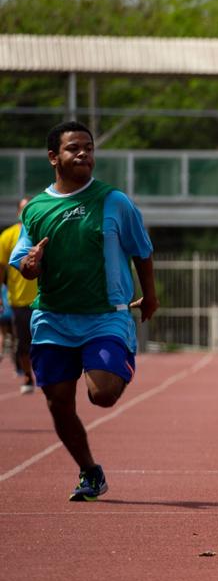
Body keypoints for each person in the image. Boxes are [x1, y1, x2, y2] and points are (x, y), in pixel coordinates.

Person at [10, 121, 158, 501]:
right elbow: (25, 261)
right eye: (73, 148)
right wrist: (30, 264)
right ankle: (90, 471)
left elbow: (142, 251)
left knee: (102, 394)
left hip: (104, 315)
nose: (83, 154)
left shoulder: (115, 202)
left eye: (88, 148)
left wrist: (150, 296)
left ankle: (120, 358)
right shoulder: (36, 209)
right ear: (53, 157)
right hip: (53, 318)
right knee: (58, 403)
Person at [0, 198, 36, 394]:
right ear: (17, 213)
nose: (26, 212)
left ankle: (46, 374)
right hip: (19, 299)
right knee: (23, 342)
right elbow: (1, 267)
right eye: (23, 209)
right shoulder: (7, 236)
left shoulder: (42, 231)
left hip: (43, 299)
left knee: (46, 341)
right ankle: (28, 375)